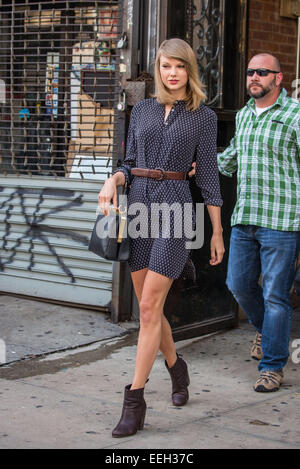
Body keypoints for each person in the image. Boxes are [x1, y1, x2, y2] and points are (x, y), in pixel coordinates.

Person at [98, 38, 225, 437]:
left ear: (190, 71)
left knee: (151, 306)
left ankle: (134, 402)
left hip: (175, 209)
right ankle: (176, 367)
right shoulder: (143, 110)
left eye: (180, 67)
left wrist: (217, 230)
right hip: (138, 206)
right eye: (166, 66)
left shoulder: (202, 117)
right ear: (158, 68)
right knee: (149, 309)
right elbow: (129, 163)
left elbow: (207, 175)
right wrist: (113, 178)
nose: (173, 74)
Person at [218, 53, 300, 392]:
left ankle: (272, 366)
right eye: (251, 72)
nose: (254, 77)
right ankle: (269, 334)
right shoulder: (243, 116)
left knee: (276, 295)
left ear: (278, 79)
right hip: (245, 217)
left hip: (282, 219)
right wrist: (202, 164)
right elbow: (233, 156)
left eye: (262, 72)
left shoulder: (296, 116)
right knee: (237, 284)